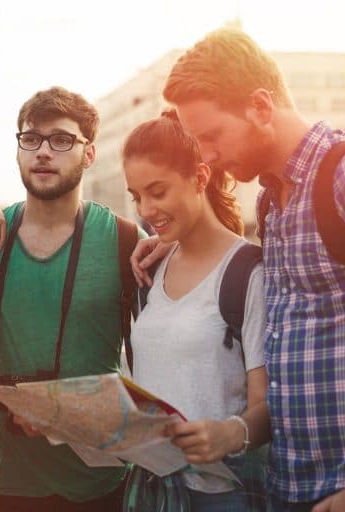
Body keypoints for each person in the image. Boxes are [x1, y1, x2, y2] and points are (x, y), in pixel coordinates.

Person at [133, 28, 345, 511]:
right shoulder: (274, 201)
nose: (206, 155)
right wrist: (173, 244)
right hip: (294, 487)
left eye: (210, 136)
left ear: (261, 107)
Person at [0, 86, 142, 512]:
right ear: (18, 151)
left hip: (102, 485)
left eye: (62, 140)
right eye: (31, 139)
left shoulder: (125, 240)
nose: (43, 152)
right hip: (10, 486)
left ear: (89, 154)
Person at [121, 111, 269, 511]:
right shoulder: (152, 267)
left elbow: (269, 406)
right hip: (152, 492)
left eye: (158, 191)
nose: (146, 209)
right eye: (136, 196)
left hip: (221, 497)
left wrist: (231, 433)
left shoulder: (247, 272)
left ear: (200, 178)